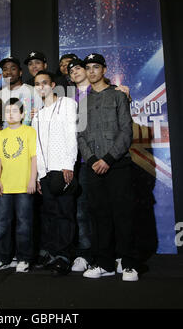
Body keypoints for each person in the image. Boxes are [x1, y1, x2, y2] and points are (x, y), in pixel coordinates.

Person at [77, 53, 139, 282]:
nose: (91, 71)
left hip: (118, 165)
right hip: (94, 167)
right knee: (99, 216)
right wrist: (93, 159)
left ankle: (129, 263)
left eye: (96, 67)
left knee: (123, 215)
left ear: (104, 70)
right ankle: (104, 263)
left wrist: (109, 159)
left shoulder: (118, 96)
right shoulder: (83, 102)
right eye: (88, 68)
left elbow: (126, 131)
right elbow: (80, 135)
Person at [32, 71, 78, 275]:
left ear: (52, 85)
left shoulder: (67, 103)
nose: (41, 87)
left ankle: (64, 256)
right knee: (50, 214)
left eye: (44, 83)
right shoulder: (38, 114)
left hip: (63, 168)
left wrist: (69, 164)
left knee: (65, 213)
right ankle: (51, 253)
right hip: (46, 172)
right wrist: (39, 175)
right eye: (37, 84)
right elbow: (37, 147)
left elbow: (71, 134)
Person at [0, 98, 37, 273]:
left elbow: (34, 158)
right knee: (2, 223)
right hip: (5, 186)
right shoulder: (1, 134)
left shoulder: (30, 132)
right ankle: (2, 257)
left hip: (24, 186)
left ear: (22, 114)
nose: (10, 114)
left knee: (24, 223)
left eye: (15, 111)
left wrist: (32, 180)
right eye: (7, 111)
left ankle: (23, 258)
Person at [0, 57, 42, 126]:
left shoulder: (33, 92)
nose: (8, 72)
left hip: (27, 135)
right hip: (5, 135)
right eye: (5, 69)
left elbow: (40, 117)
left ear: (20, 72)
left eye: (13, 69)